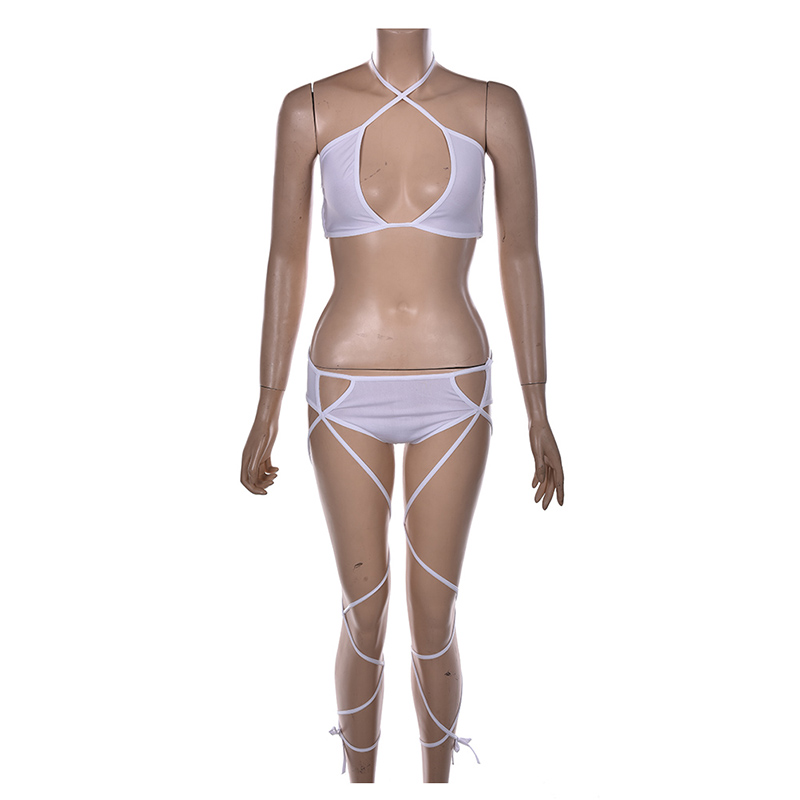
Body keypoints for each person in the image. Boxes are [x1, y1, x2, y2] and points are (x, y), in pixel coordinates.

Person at [241, 28, 564, 783]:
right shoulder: (309, 108)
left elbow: (522, 255)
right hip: (342, 386)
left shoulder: (494, 107)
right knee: (364, 611)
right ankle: (358, 781)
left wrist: (539, 409)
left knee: (433, 617)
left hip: (455, 389)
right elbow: (285, 257)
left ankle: (436, 780)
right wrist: (266, 405)